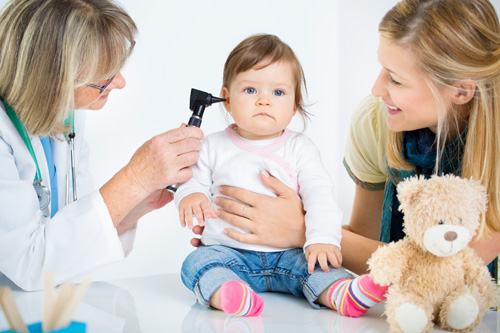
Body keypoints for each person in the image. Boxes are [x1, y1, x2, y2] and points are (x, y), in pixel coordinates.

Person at [191, 0, 500, 278]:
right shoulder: (376, 120)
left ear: (461, 90)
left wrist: (301, 230)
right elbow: (362, 240)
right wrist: (250, 236)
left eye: (395, 78)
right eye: (382, 67)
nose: (376, 88)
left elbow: (455, 271)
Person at [175, 34, 387, 317]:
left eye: (278, 93)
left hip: (290, 251)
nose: (264, 101)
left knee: (321, 264)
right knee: (196, 263)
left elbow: (320, 197)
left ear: (295, 104)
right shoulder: (210, 145)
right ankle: (228, 294)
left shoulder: (301, 149)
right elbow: (191, 181)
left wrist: (322, 238)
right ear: (226, 99)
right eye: (250, 90)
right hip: (227, 251)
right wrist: (191, 195)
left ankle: (341, 294)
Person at [0, 0, 203, 291]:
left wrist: (134, 205)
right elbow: (27, 263)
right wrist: (134, 179)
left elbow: (70, 233)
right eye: (103, 79)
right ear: (52, 79)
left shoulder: (66, 117)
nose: (119, 83)